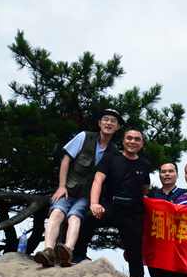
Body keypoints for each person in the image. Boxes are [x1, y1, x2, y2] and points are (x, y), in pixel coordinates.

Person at [35, 108, 123, 267]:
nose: (108, 123)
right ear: (99, 123)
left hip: (86, 197)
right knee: (57, 212)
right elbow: (65, 160)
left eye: (113, 121)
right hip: (67, 190)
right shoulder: (84, 137)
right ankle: (48, 250)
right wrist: (62, 186)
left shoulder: (115, 153)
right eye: (105, 119)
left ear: (118, 127)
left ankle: (67, 251)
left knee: (75, 217)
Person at [72, 126, 151, 277]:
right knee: (89, 217)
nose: (133, 142)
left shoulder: (145, 164)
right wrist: (94, 203)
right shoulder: (110, 158)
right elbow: (98, 180)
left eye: (137, 139)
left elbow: (144, 189)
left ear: (142, 144)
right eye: (129, 138)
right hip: (112, 206)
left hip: (133, 213)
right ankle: (78, 255)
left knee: (135, 254)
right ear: (123, 141)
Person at [147, 161, 187, 277]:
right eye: (164, 172)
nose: (167, 174)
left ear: (177, 175)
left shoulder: (185, 195)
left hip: (178, 251)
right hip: (156, 251)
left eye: (170, 171)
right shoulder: (151, 197)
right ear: (159, 175)